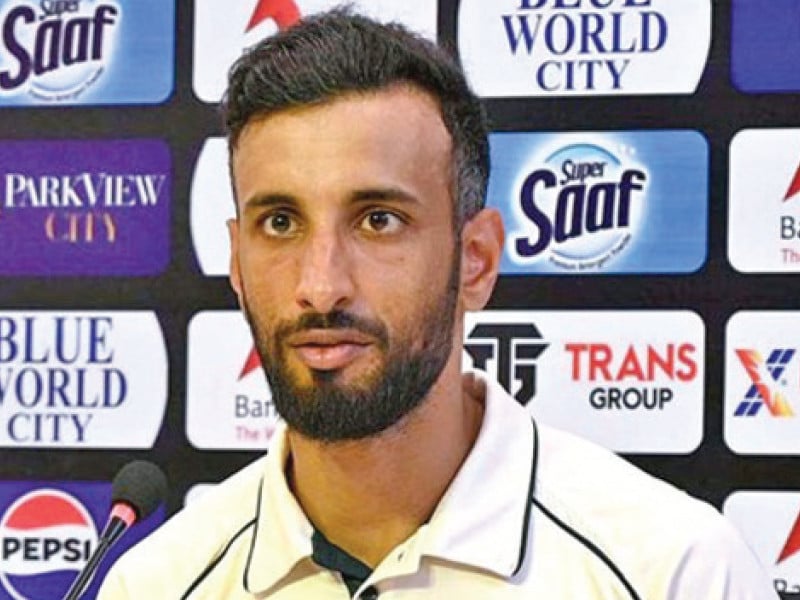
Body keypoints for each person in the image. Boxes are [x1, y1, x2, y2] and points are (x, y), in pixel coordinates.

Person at [98, 9, 776, 599]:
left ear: (476, 260)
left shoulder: (674, 572)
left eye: (378, 220)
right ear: (237, 264)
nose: (321, 284)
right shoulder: (156, 582)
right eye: (280, 222)